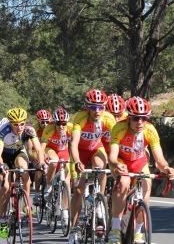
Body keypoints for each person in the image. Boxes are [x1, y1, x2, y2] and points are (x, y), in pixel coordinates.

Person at [107, 96, 174, 244]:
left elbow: (159, 160)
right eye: (135, 118)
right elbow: (112, 157)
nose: (140, 122)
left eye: (144, 118)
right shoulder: (119, 128)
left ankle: (139, 232)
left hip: (139, 163)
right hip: (121, 161)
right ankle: (115, 229)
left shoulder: (150, 130)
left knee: (146, 189)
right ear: (129, 118)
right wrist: (116, 165)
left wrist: (167, 168)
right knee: (124, 183)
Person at [69, 89, 116, 243]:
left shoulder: (108, 119)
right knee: (78, 190)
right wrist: (77, 162)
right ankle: (74, 228)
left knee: (101, 167)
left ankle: (99, 201)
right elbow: (74, 144)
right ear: (87, 107)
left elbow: (118, 142)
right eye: (94, 107)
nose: (97, 111)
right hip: (80, 152)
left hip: (96, 148)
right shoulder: (80, 119)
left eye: (101, 107)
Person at [0, 107, 45, 238]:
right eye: (16, 124)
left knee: (24, 168)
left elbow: (38, 149)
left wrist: (41, 163)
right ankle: (3, 218)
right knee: (5, 187)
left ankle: (26, 202)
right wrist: (1, 164)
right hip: (4, 156)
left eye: (22, 123)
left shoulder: (29, 130)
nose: (19, 127)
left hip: (18, 153)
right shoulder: (3, 131)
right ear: (10, 123)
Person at [40, 107, 73, 202]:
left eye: (64, 124)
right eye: (58, 124)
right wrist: (43, 156)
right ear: (54, 123)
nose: (61, 126)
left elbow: (74, 145)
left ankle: (66, 211)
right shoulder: (48, 128)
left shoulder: (71, 128)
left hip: (63, 150)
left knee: (67, 182)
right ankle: (49, 185)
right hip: (51, 149)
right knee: (54, 161)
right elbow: (42, 147)